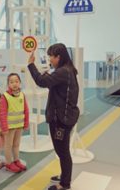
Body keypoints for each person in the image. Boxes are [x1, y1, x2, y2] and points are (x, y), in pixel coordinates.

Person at [27, 43, 80, 190]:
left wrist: (31, 65)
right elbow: (51, 83)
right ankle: (64, 176)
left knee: (62, 151)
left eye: (51, 56)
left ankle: (64, 184)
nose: (49, 59)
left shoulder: (63, 72)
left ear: (59, 57)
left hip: (61, 119)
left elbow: (42, 82)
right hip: (66, 116)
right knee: (62, 150)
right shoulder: (68, 70)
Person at [0, 73, 29, 173]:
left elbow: (26, 110)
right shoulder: (5, 96)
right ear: (8, 84)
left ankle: (16, 161)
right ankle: (8, 163)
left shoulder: (22, 94)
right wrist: (4, 127)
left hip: (19, 125)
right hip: (9, 127)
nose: (14, 84)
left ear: (20, 82)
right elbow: (2, 113)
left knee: (16, 144)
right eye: (11, 82)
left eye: (16, 81)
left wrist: (26, 123)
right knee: (8, 145)